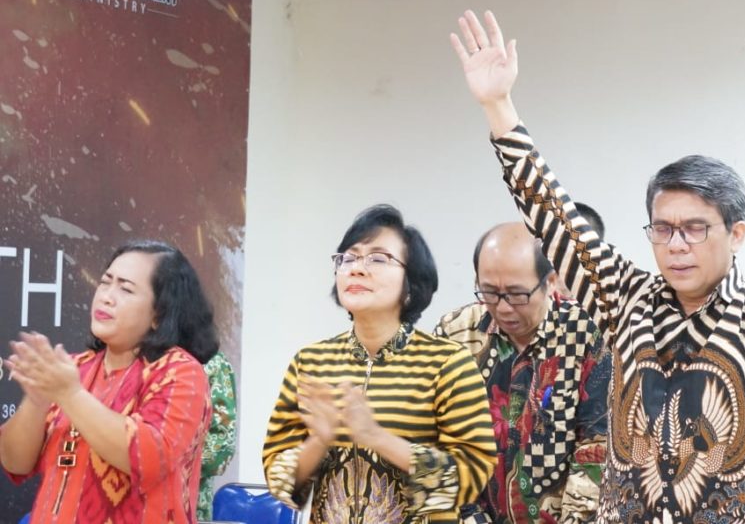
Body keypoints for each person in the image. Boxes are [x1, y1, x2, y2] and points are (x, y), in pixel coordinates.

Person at [449, 0, 745, 522]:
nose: (676, 244)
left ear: (737, 234)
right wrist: (499, 108)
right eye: (662, 229)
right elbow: (553, 216)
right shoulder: (626, 300)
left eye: (695, 229)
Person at [262, 204, 497, 524]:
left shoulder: (447, 364)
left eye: (378, 258)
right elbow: (280, 482)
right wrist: (318, 441)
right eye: (348, 258)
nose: (356, 269)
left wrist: (377, 437)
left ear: (411, 282)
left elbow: (473, 475)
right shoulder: (310, 362)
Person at [1, 240, 217, 523]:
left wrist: (70, 395)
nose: (106, 297)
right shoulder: (75, 368)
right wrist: (37, 400)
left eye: (125, 289)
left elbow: (149, 456)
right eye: (105, 282)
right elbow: (15, 462)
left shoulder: (181, 371)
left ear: (159, 313)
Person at [436, 223, 611, 523]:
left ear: (550, 281)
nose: (503, 308)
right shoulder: (455, 335)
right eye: (490, 292)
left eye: (517, 294)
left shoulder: (587, 335)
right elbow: (438, 442)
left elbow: (596, 449)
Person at [197, 351, 238, 520]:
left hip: (189, 504)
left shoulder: (212, 363)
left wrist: (168, 466)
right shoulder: (139, 359)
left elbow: (221, 447)